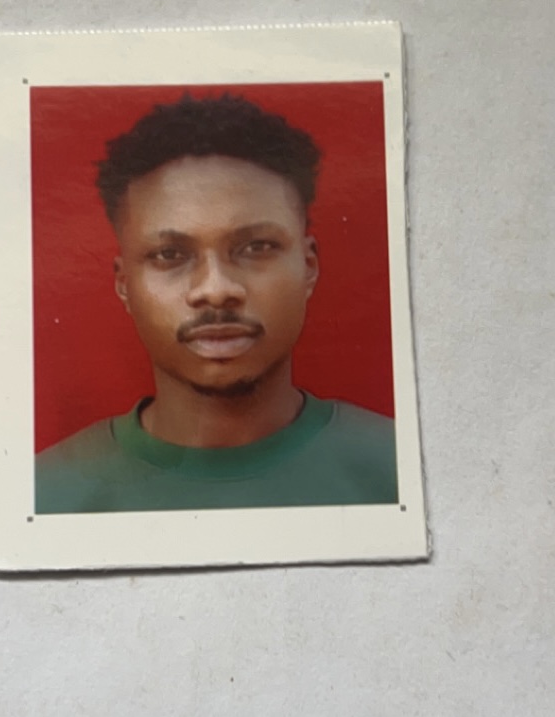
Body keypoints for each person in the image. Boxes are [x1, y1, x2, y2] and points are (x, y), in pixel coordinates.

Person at [35, 94, 397, 513]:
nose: (216, 289)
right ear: (124, 284)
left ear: (309, 266)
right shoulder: (45, 495)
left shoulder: (402, 472)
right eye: (170, 254)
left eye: (256, 247)